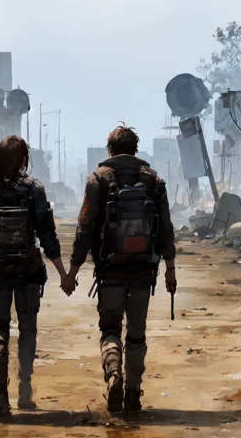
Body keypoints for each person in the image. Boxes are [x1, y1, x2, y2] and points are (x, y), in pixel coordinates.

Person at [0, 135, 76, 421]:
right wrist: (64, 274)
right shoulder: (33, 189)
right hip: (27, 270)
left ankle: (0, 394)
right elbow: (48, 235)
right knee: (28, 329)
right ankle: (24, 388)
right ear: (24, 158)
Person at [69, 124, 176, 413]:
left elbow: (85, 229)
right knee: (137, 335)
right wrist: (170, 268)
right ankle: (133, 393)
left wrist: (73, 270)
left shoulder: (98, 180)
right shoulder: (153, 181)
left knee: (110, 329)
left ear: (111, 150)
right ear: (135, 149)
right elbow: (165, 228)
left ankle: (113, 372)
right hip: (143, 270)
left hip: (109, 269)